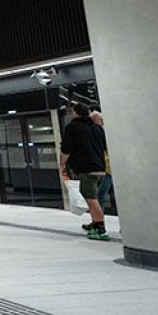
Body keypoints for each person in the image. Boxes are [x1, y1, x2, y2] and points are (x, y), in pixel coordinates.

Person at [61, 103, 110, 241]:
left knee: (91, 199)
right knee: (94, 198)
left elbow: (66, 148)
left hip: (86, 168)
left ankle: (100, 229)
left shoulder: (72, 127)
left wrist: (62, 163)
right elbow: (105, 147)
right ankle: (95, 222)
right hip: (100, 168)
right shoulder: (98, 128)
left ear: (75, 113)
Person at [91, 110, 114, 211]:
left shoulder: (100, 131)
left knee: (101, 193)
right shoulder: (101, 131)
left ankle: (98, 215)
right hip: (105, 167)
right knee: (101, 193)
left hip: (107, 167)